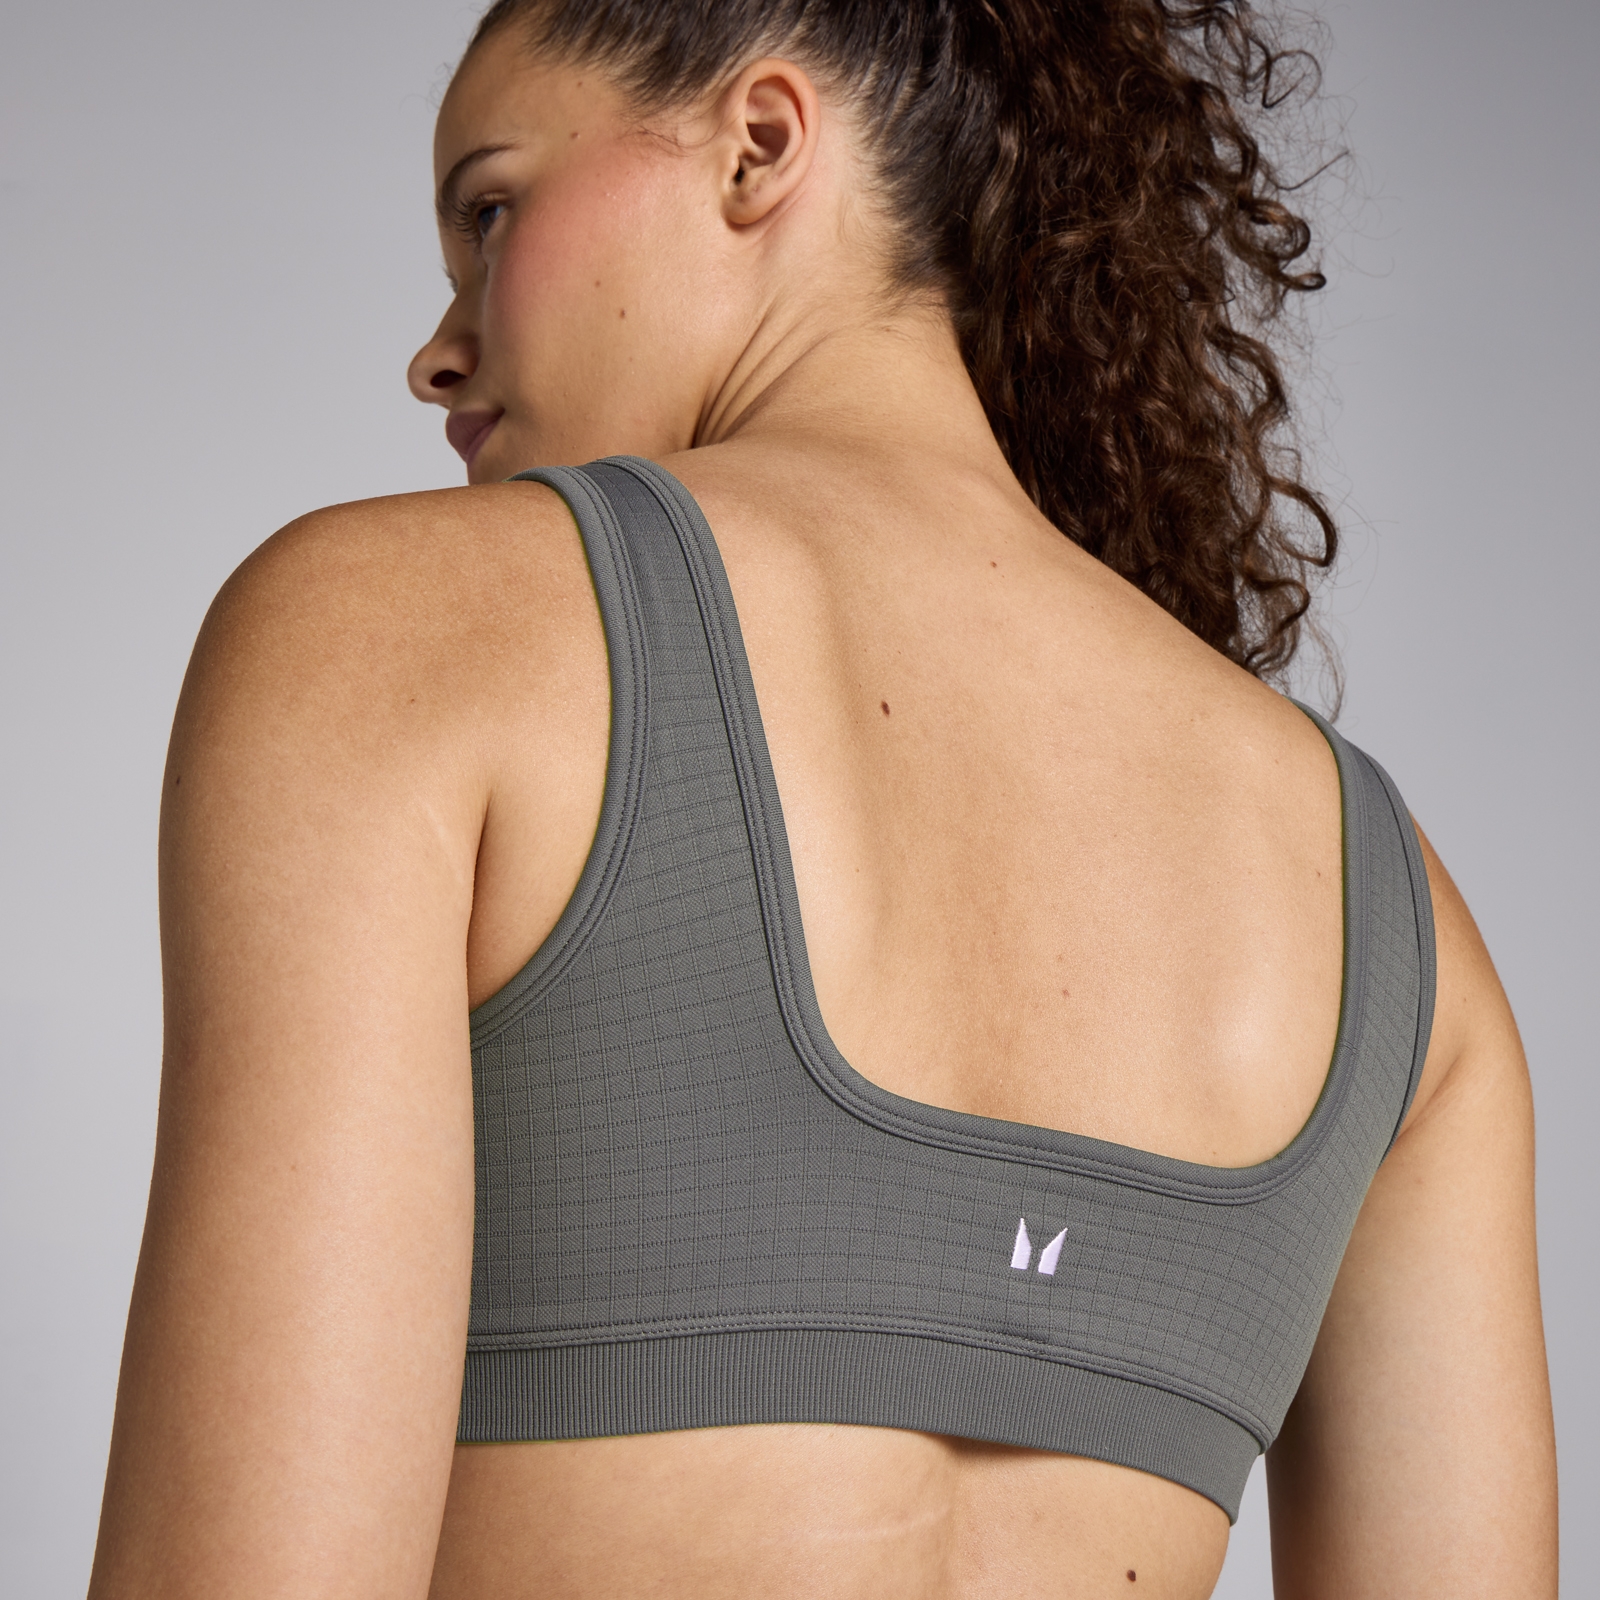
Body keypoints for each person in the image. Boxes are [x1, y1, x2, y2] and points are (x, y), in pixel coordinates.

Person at [87, 1, 1557, 1595]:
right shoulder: (1394, 919)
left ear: (760, 145)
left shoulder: (392, 640)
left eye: (492, 210)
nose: (438, 348)